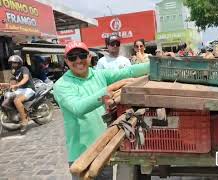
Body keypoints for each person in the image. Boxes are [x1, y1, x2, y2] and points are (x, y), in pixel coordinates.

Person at [53, 41, 149, 180]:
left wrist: (157, 64)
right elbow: (78, 108)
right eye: (73, 57)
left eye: (82, 55)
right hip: (81, 154)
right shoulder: (62, 85)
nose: (78, 60)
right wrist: (107, 91)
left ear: (89, 57)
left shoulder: (99, 75)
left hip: (103, 148)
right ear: (66, 61)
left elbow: (128, 71)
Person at [0, 55, 35, 134]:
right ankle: (14, 116)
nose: (13, 65)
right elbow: (12, 84)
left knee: (17, 100)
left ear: (19, 63)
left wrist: (17, 85)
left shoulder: (24, 69)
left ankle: (24, 120)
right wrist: (3, 84)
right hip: (21, 90)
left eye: (15, 63)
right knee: (7, 97)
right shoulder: (16, 72)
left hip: (29, 89)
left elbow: (25, 78)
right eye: (12, 63)